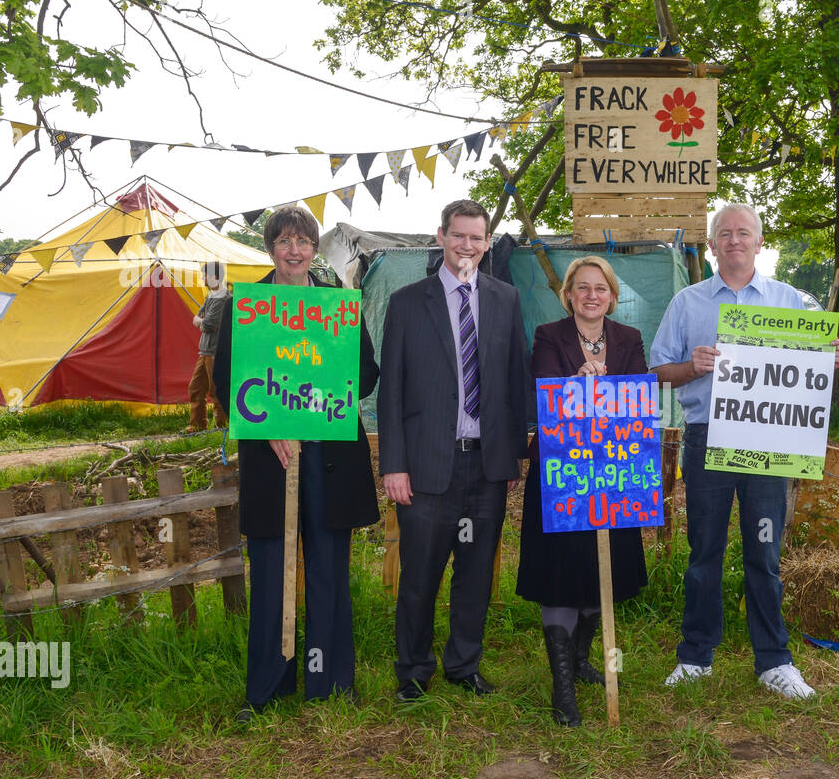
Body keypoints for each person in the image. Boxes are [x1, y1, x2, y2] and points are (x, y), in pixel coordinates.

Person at [649, 203, 839, 699]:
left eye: (744, 233)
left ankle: (774, 661)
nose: (734, 240)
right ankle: (695, 656)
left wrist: (833, 355)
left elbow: (813, 367)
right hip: (706, 438)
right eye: (724, 234)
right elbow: (657, 373)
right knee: (704, 552)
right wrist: (690, 366)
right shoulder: (687, 303)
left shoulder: (792, 301)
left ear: (760, 243)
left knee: (765, 552)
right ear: (712, 245)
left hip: (769, 445)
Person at [213, 206, 379, 723]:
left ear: (314, 249)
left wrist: (327, 395)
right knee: (271, 573)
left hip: (330, 457)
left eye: (303, 241)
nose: (294, 250)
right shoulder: (247, 306)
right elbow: (226, 381)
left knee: (328, 570)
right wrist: (269, 428)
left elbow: (366, 373)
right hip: (273, 459)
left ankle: (328, 682)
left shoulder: (337, 306)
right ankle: (265, 688)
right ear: (270, 249)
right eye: (284, 241)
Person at [378, 198, 530, 701]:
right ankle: (414, 671)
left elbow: (514, 382)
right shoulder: (405, 302)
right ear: (440, 236)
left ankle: (463, 665)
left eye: (476, 237)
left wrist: (509, 457)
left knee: (475, 575)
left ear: (487, 244)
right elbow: (392, 392)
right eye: (458, 235)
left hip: (485, 464)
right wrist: (394, 465)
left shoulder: (506, 299)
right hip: (425, 466)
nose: (467, 245)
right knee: (419, 577)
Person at [517, 256, 649, 727]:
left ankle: (580, 657)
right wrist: (574, 386)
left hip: (613, 473)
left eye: (601, 288)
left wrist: (606, 389)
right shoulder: (548, 337)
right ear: (569, 293)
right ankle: (561, 684)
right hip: (561, 473)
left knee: (602, 569)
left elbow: (635, 397)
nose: (592, 295)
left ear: (612, 296)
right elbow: (542, 393)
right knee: (560, 572)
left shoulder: (630, 340)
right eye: (583, 288)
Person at [188, 261, 230, 432]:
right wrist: (201, 320)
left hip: (215, 351)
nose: (203, 278)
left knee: (216, 390)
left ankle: (222, 427)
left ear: (215, 276)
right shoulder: (211, 296)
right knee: (196, 387)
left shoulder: (223, 298)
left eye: (205, 274)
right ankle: (197, 426)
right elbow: (197, 318)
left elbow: (209, 324)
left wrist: (202, 321)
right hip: (204, 351)